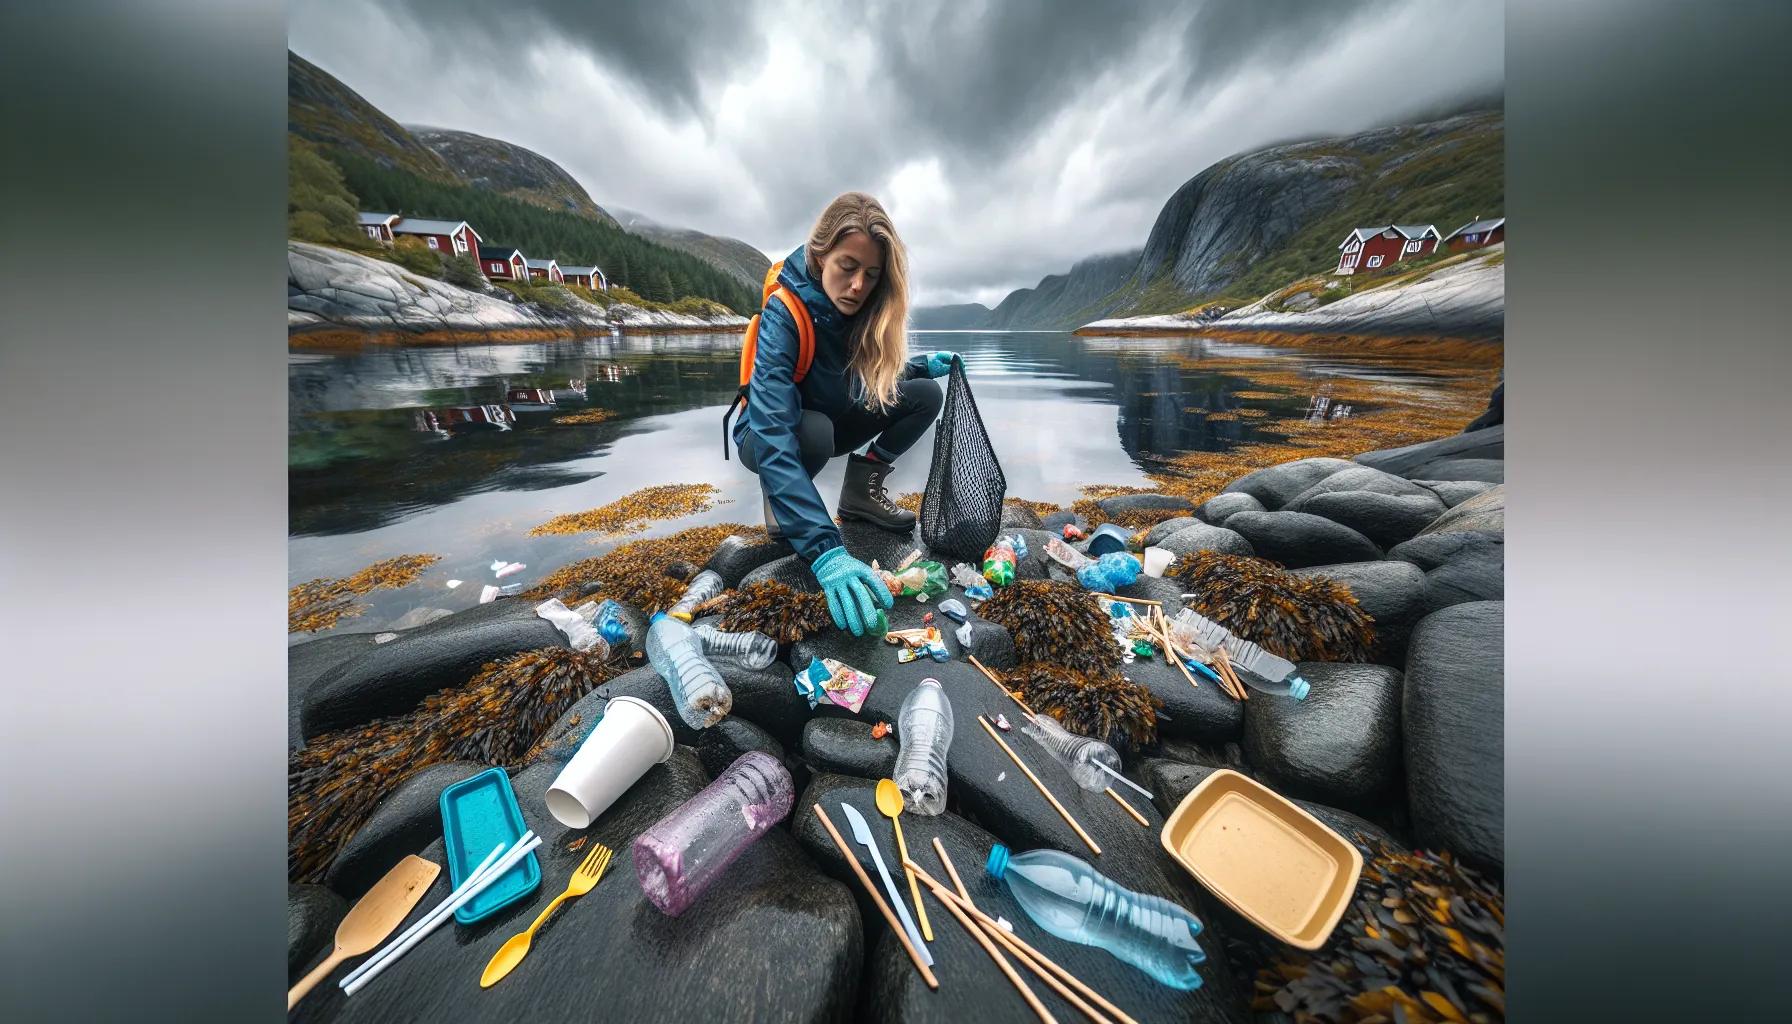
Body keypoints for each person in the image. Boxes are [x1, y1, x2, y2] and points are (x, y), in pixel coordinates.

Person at [731, 191, 959, 636]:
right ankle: (782, 498)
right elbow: (774, 427)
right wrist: (825, 551)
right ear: (821, 257)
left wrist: (919, 365)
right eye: (847, 267)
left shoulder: (861, 310)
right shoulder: (785, 314)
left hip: (830, 419)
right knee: (811, 432)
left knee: (924, 394)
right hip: (769, 435)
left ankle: (859, 493)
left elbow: (857, 378)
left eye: (871, 274)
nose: (858, 285)